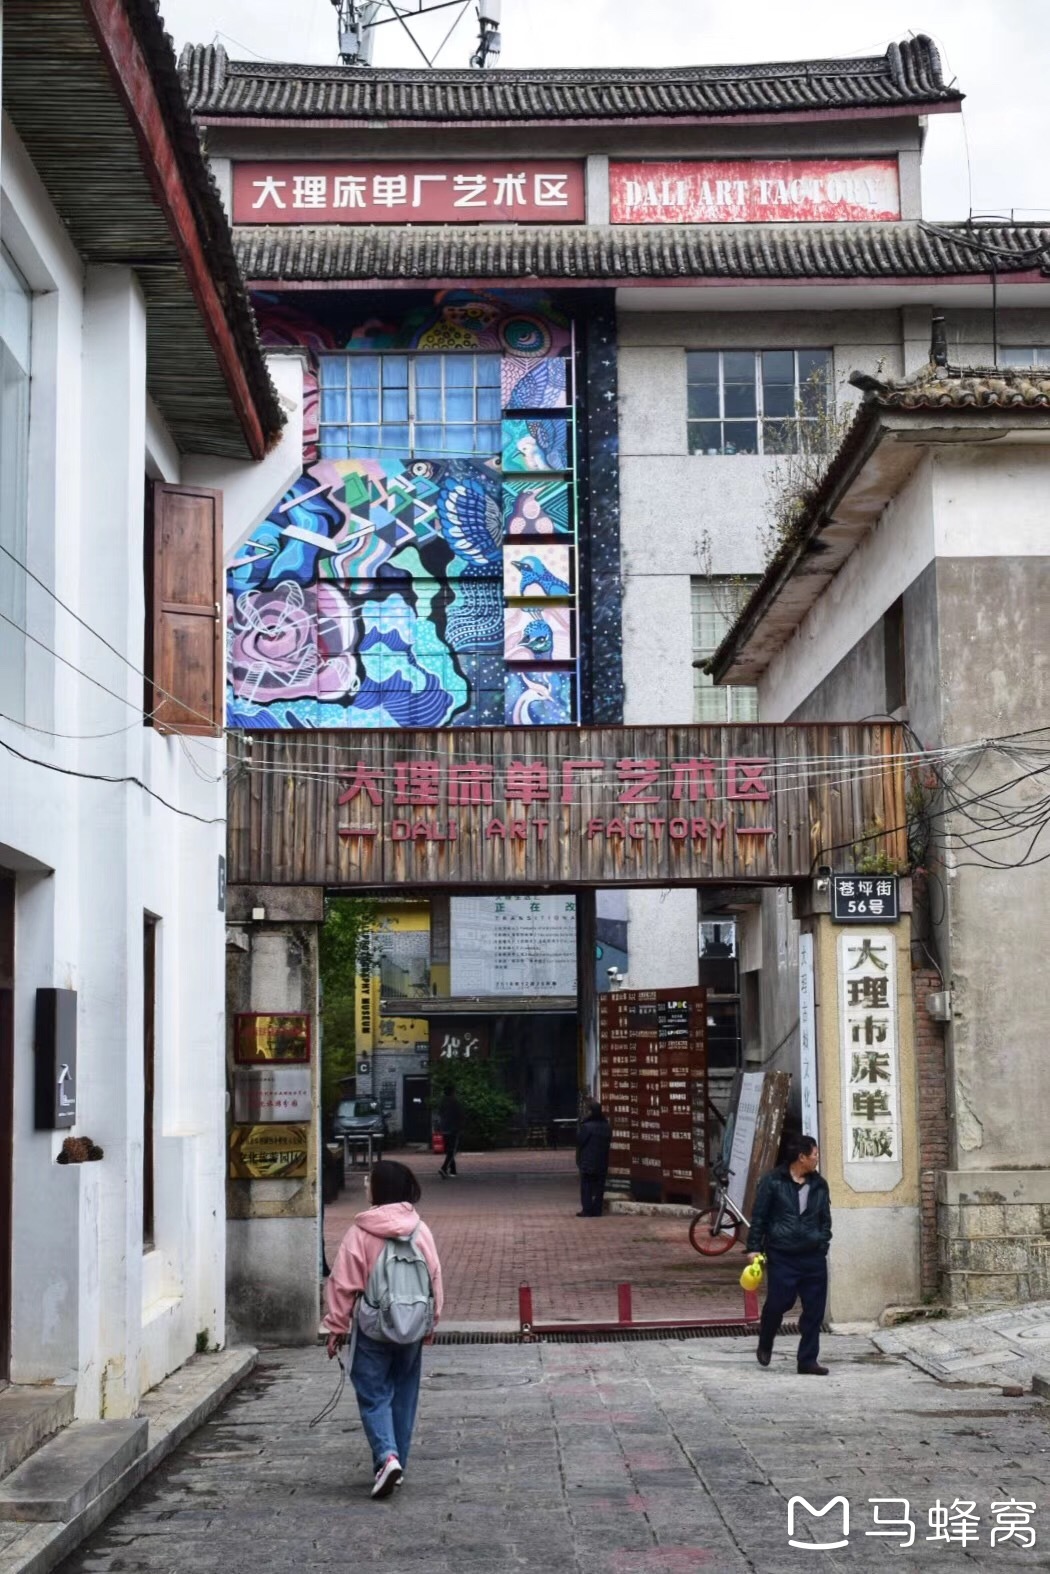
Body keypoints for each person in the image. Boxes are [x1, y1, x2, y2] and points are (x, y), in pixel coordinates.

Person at [324, 1159, 444, 1498]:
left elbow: (343, 1283)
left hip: (373, 1325)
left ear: (380, 1188)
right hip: (412, 1326)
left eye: (369, 1180)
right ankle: (397, 1461)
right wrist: (431, 1321)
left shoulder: (361, 1232)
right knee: (404, 1392)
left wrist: (336, 1326)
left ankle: (386, 1456)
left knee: (372, 1391)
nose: (365, 1185)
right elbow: (434, 1277)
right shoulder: (420, 1230)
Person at [745, 1133, 832, 1376]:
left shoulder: (819, 1184)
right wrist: (754, 1248)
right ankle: (766, 1339)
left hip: (813, 1256)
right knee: (779, 1303)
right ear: (801, 1157)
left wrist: (822, 1242)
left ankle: (807, 1360)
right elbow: (759, 1217)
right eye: (814, 1154)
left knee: (814, 1310)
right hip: (782, 1255)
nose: (817, 1158)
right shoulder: (773, 1181)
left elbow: (825, 1218)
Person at [575, 1101, 612, 1217]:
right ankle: (597, 1209)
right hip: (602, 1161)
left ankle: (587, 1209)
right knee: (599, 1187)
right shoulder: (606, 1126)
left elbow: (580, 1142)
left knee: (586, 1186)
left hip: (588, 1161)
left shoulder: (587, 1126)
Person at [437, 1088, 464, 1179]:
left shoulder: (442, 1102)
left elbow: (440, 1114)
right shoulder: (455, 1102)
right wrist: (460, 1126)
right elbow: (460, 1115)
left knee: (449, 1150)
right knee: (452, 1151)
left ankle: (453, 1170)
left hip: (444, 1129)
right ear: (453, 1093)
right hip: (453, 1129)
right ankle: (444, 1168)